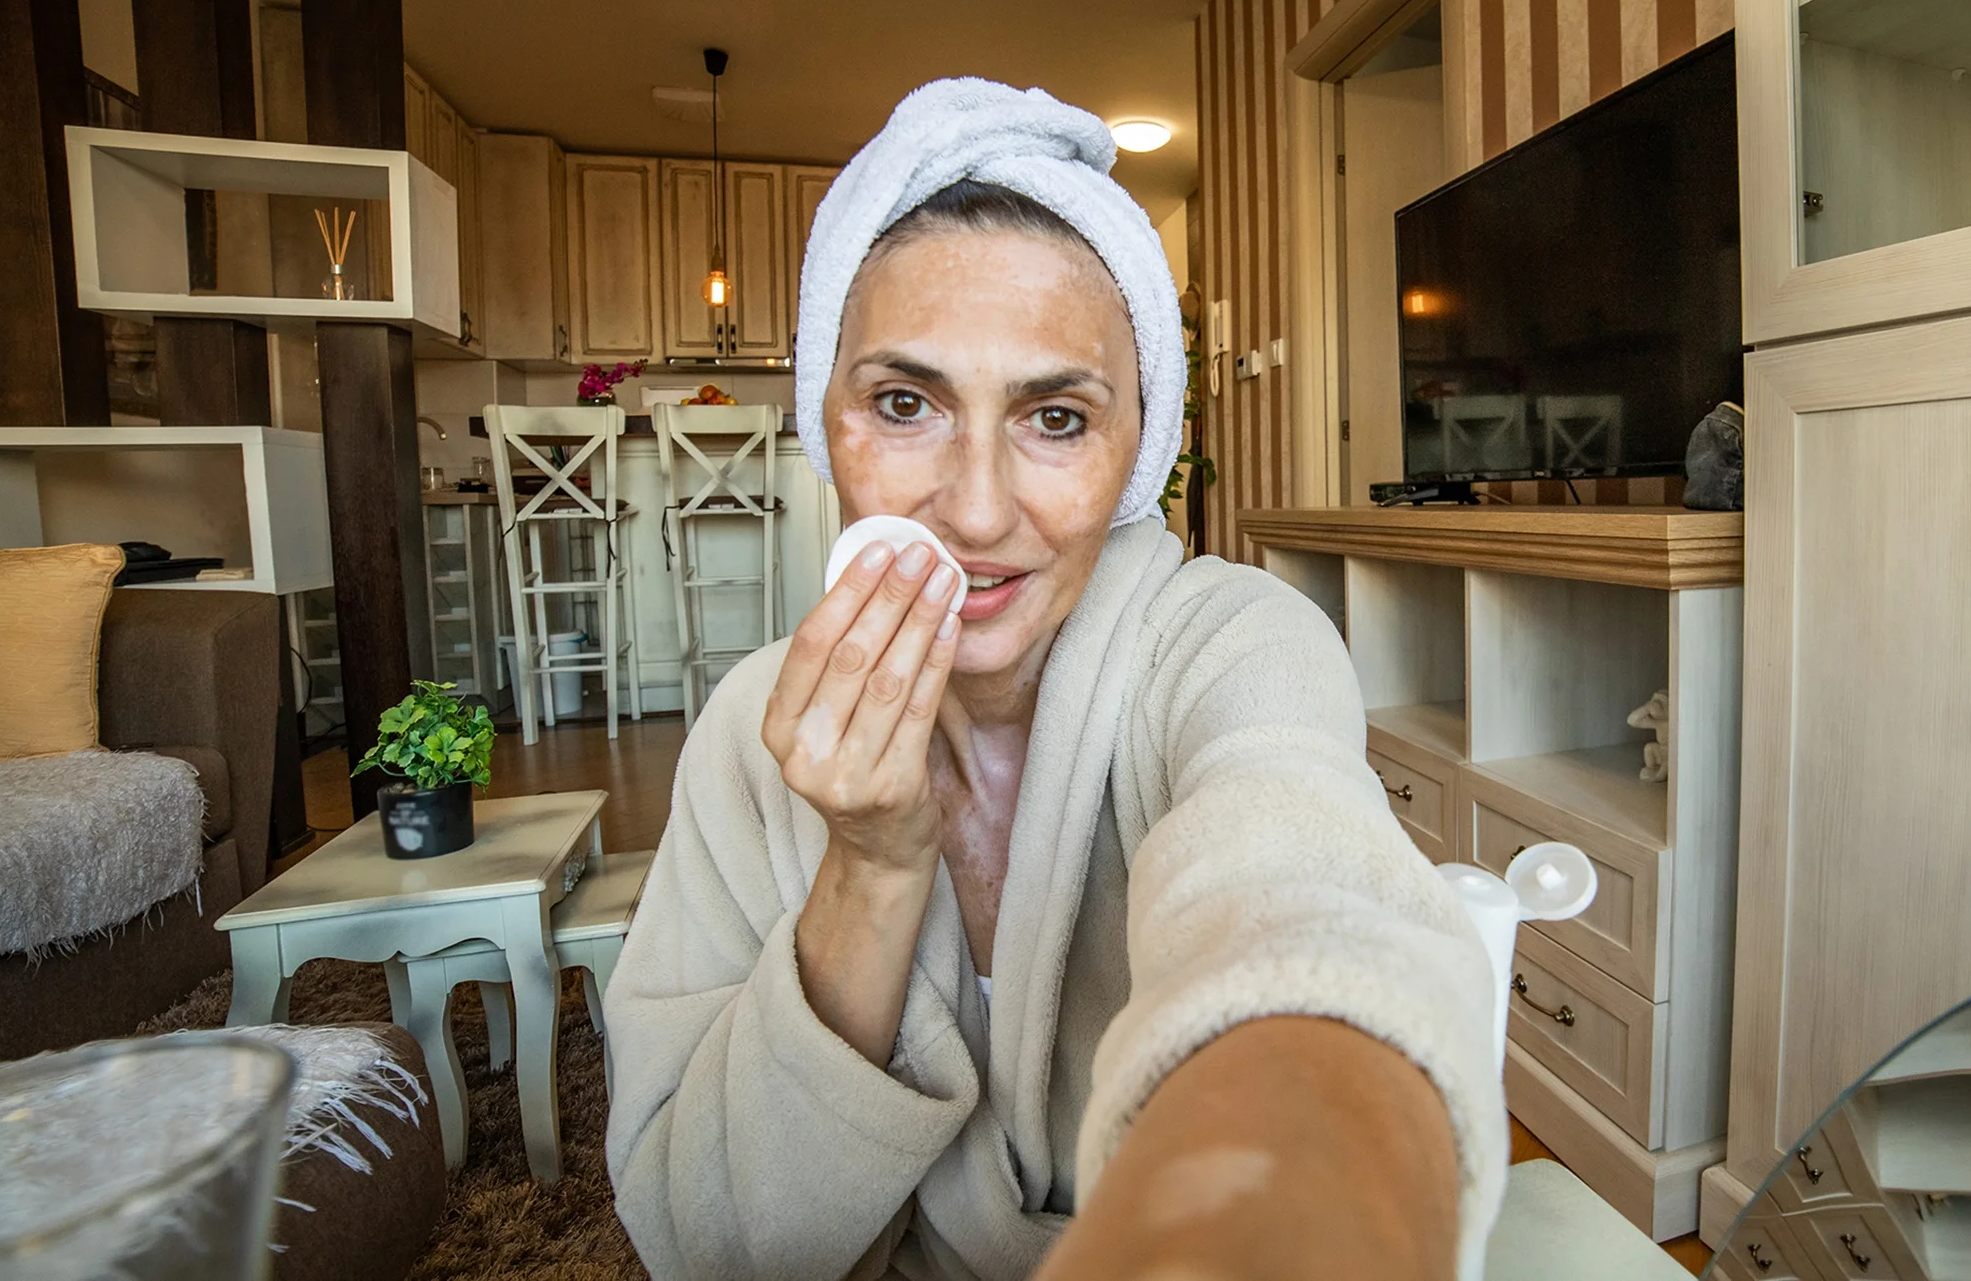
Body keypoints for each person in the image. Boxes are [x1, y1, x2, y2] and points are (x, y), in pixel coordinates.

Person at [603, 78, 1504, 1281]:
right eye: (906, 403)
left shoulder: (1235, 647)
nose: (976, 511)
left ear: (1142, 447)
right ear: (827, 427)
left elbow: (1303, 911)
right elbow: (703, 1241)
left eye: (1057, 420)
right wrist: (870, 868)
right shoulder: (744, 740)